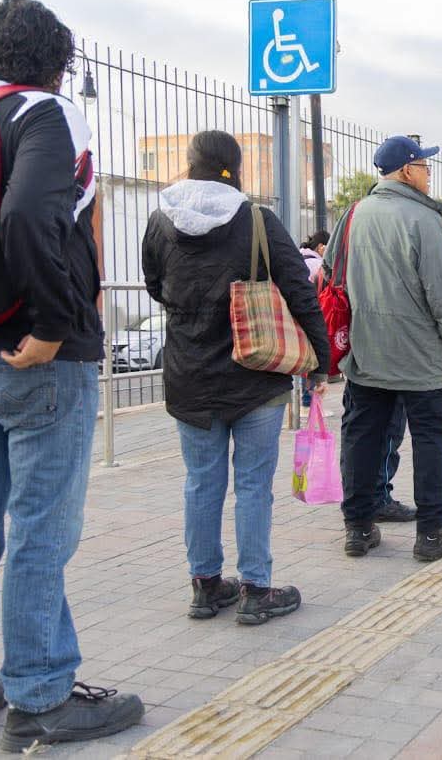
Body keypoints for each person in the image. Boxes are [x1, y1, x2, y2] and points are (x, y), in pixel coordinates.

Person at [0, 0, 143, 750]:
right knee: (43, 525)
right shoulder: (43, 111)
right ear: (53, 60)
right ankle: (41, 694)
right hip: (35, 356)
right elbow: (31, 214)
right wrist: (49, 324)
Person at [144, 129, 330, 626]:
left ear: (190, 164)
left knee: (200, 484)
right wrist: (319, 361)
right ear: (237, 166)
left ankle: (205, 587)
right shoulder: (257, 220)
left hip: (189, 375)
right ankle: (255, 589)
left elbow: (155, 286)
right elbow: (299, 290)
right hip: (255, 375)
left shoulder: (160, 223)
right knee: (252, 486)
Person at [325, 135, 442, 563]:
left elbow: (334, 276)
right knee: (429, 441)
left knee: (361, 437)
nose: (429, 173)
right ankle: (431, 535)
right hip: (420, 357)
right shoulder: (424, 220)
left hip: (366, 352)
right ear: (407, 171)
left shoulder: (354, 214)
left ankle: (358, 527)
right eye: (425, 166)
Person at [299, 229, 330, 411]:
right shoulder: (317, 264)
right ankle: (310, 402)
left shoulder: (297, 256)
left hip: (296, 318)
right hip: (313, 317)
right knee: (314, 359)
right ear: (321, 247)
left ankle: (305, 401)